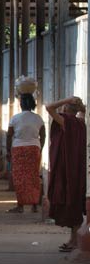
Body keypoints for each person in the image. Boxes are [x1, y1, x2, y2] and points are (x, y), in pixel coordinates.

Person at [46, 96, 87, 252]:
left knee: (70, 201)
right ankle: (73, 239)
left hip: (66, 170)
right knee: (74, 201)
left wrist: (67, 99)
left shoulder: (67, 122)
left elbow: (49, 106)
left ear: (66, 109)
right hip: (75, 170)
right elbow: (83, 112)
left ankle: (74, 240)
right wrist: (79, 106)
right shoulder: (81, 123)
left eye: (64, 107)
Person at [7, 93, 45, 214]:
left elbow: (9, 135)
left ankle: (20, 205)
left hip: (18, 149)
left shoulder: (15, 118)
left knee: (20, 178)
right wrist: (40, 147)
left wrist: (8, 151)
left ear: (21, 104)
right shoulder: (38, 118)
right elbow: (43, 135)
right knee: (33, 176)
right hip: (34, 149)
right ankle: (34, 205)